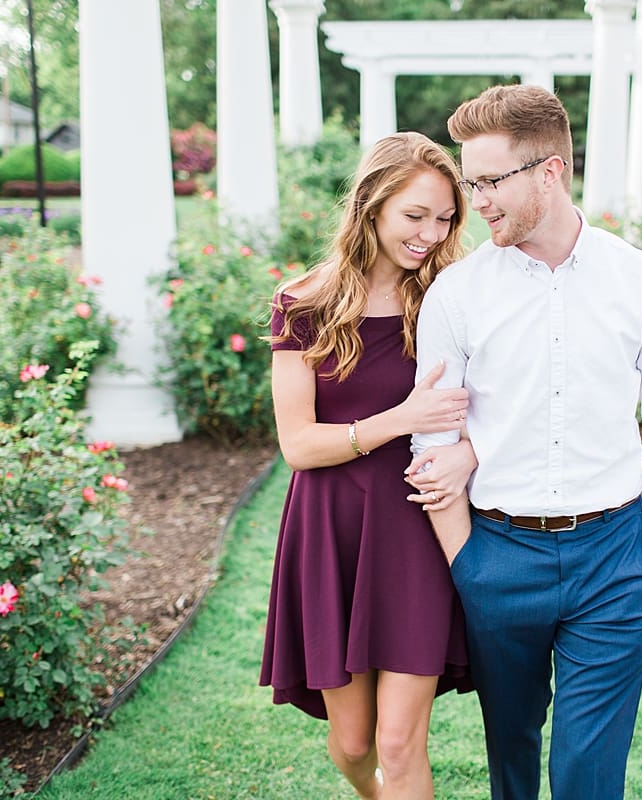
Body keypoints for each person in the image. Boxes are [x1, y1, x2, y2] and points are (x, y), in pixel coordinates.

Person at [406, 85, 642, 799]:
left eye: (489, 181)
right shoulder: (458, 293)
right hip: (499, 555)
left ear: (550, 171)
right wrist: (467, 563)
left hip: (617, 562)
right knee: (511, 756)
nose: (476, 201)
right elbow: (433, 437)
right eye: (470, 182)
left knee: (585, 774)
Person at [260, 131, 477, 800]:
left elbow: (495, 412)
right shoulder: (303, 305)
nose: (431, 234)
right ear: (370, 205)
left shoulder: (451, 298)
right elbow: (297, 444)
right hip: (330, 534)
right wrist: (399, 420)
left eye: (444, 219)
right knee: (353, 745)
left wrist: (466, 453)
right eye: (416, 216)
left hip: (415, 531)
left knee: (397, 742)